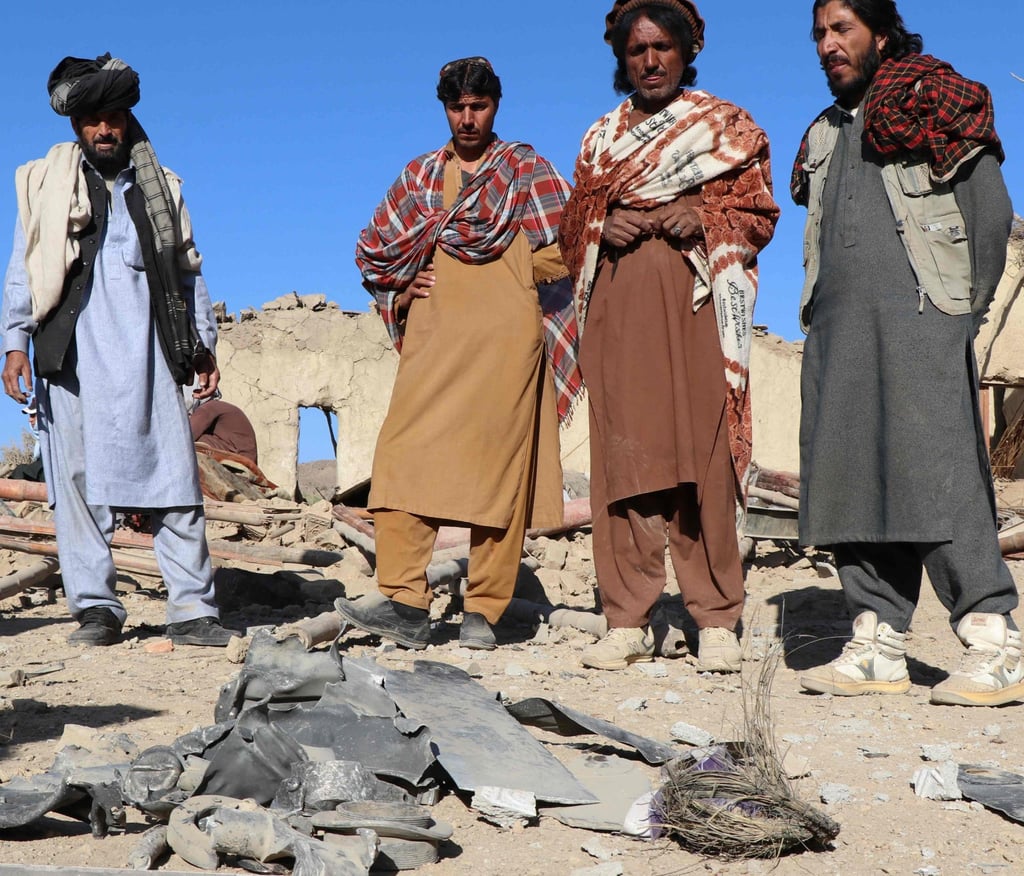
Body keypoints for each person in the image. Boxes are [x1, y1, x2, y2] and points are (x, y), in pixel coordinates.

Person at [793, 1, 1021, 705]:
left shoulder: (936, 98)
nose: (829, 45)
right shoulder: (825, 132)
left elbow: (990, 214)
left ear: (881, 34)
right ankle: (877, 640)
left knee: (936, 472)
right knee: (851, 477)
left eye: (843, 30)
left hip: (924, 317)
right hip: (838, 327)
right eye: (821, 34)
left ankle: (996, 641)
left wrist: (964, 313)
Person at [560, 1, 779, 672]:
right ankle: (627, 617)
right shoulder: (599, 141)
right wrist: (605, 220)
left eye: (661, 48)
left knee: (701, 459)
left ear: (686, 52)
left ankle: (714, 618)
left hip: (695, 308)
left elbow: (760, 213)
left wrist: (701, 212)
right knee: (625, 465)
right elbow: (572, 230)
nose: (649, 61)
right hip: (622, 310)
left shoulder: (723, 127)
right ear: (621, 60)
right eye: (636, 51)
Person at [342, 57, 582, 651]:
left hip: (508, 342)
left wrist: (520, 263)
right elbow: (375, 250)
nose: (468, 118)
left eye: (479, 106)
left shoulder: (524, 169)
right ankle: (403, 601)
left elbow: (576, 244)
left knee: (496, 477)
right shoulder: (421, 175)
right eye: (457, 107)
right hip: (435, 341)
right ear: (444, 109)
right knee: (402, 465)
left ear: (496, 105)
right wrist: (404, 282)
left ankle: (484, 612)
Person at [0, 54, 239, 647]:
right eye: (92, 120)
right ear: (77, 126)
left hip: (150, 354)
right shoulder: (44, 186)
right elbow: (23, 271)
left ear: (127, 120)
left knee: (175, 481)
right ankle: (97, 610)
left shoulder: (162, 190)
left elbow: (189, 272)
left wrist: (203, 345)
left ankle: (192, 610)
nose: (103, 129)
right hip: (72, 357)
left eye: (113, 117)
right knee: (76, 486)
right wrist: (14, 343)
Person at [189, 395, 259, 467]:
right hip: (245, 461)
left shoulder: (209, 407)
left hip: (237, 461)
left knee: (190, 442)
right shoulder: (223, 407)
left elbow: (188, 436)